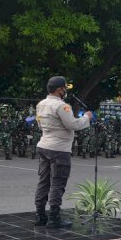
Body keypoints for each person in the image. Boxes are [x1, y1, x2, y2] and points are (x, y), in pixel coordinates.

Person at [34, 76, 92, 228]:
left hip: (44, 146)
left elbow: (40, 126)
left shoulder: (41, 104)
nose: (65, 91)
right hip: (59, 150)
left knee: (43, 182)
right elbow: (72, 124)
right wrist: (86, 118)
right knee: (57, 184)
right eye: (65, 88)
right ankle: (54, 219)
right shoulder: (62, 106)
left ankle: (40, 216)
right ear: (59, 89)